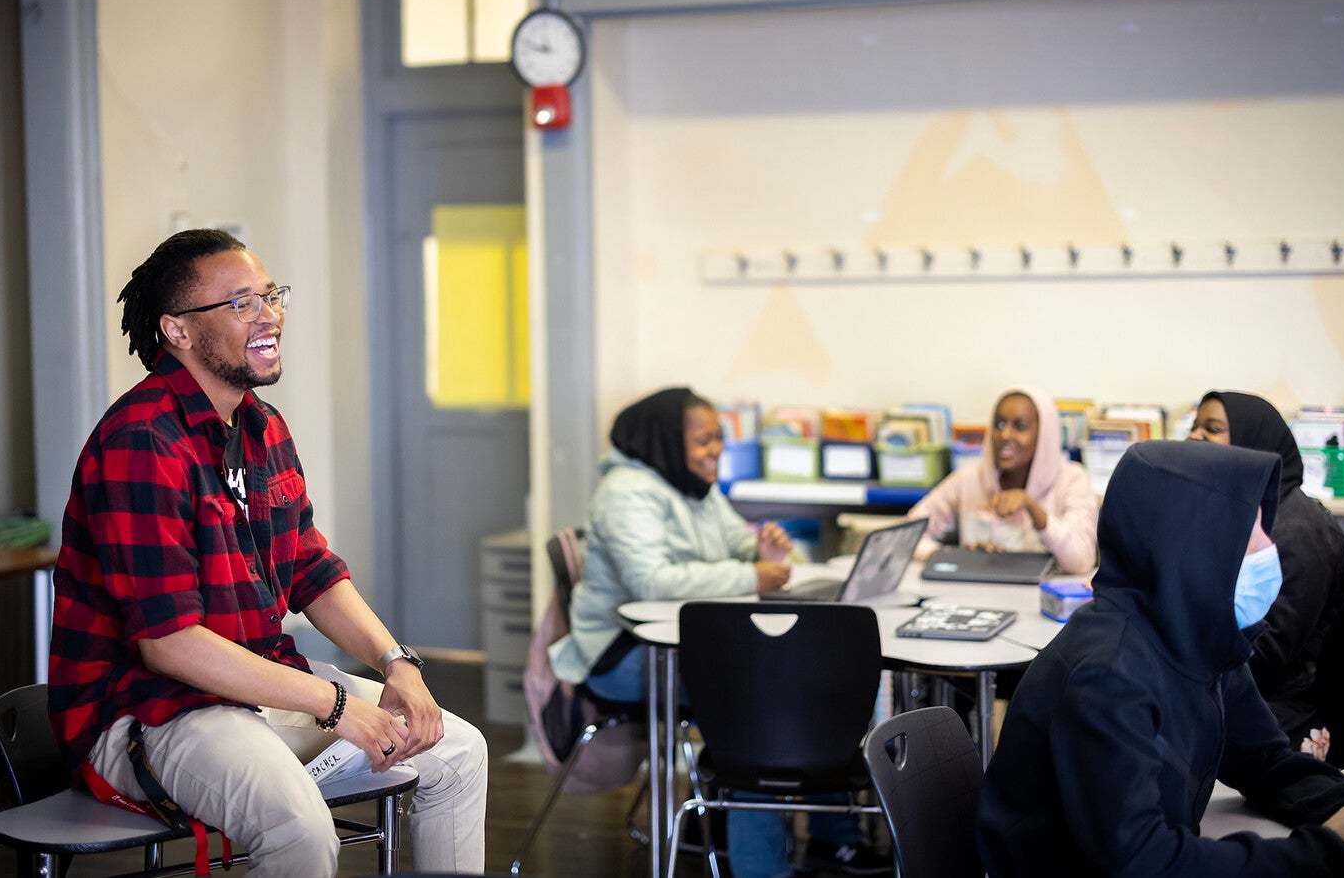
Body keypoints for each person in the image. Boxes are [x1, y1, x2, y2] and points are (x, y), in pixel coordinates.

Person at [48, 230, 487, 878]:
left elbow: (312, 571)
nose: (270, 315)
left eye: (270, 295)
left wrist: (397, 662)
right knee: (300, 829)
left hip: (251, 684)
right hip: (149, 711)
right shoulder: (141, 440)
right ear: (178, 331)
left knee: (458, 752)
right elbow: (169, 644)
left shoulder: (263, 426)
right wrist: (334, 705)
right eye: (242, 303)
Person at [977, 439, 1344, 877]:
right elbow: (1142, 863)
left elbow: (1267, 763)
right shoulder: (1107, 673)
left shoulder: (1200, 636)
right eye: (1251, 531)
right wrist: (1325, 852)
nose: (1268, 547)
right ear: (1191, 543)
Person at [548, 387, 891, 878]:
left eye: (718, 439)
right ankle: (761, 868)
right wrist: (752, 575)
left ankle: (830, 839)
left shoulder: (691, 484)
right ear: (666, 441)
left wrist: (763, 543)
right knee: (757, 700)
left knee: (813, 682)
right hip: (622, 654)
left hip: (684, 644)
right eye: (704, 440)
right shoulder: (625, 493)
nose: (716, 451)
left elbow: (736, 539)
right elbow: (652, 582)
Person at [1188, 390, 1344, 743]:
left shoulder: (1293, 531)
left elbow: (1264, 657)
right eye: (1195, 426)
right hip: (1259, 693)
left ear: (1256, 442)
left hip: (1288, 710)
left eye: (1213, 428)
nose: (1195, 436)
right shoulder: (1247, 511)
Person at [909, 387, 1098, 574]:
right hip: (978, 595)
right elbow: (907, 536)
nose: (1005, 435)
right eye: (999, 425)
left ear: (1044, 434)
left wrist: (1033, 508)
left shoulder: (1072, 478)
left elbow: (1080, 562)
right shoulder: (969, 479)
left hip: (1043, 597)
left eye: (1020, 426)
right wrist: (954, 555)